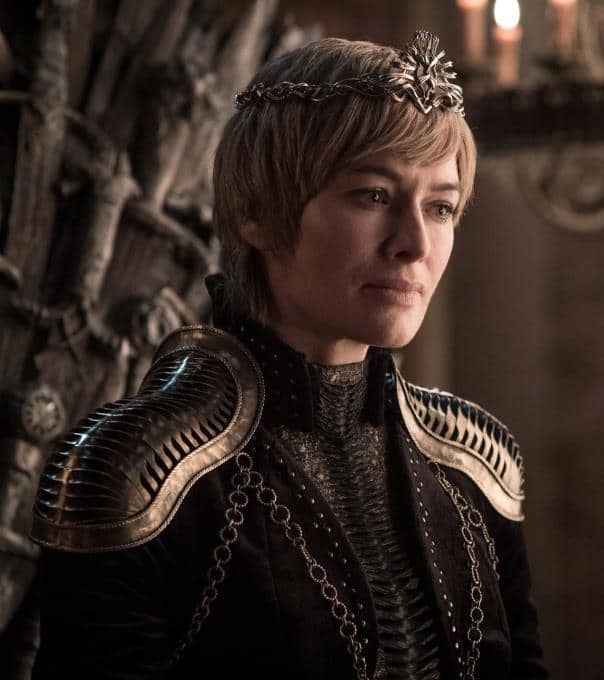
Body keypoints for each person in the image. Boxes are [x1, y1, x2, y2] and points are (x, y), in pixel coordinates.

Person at [30, 31, 547, 679]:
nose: (415, 243)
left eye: (440, 207)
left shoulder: (477, 465)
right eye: (373, 196)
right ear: (257, 211)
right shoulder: (137, 472)